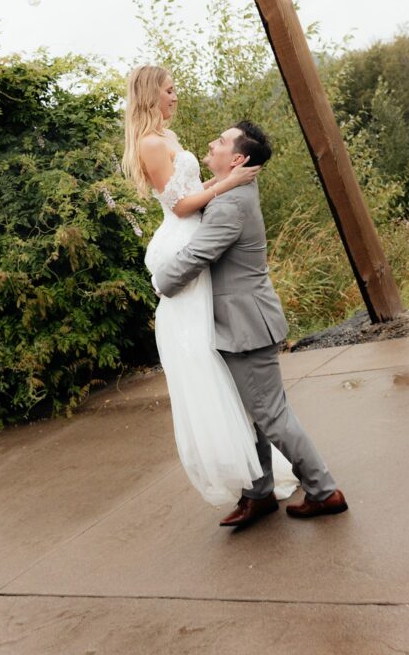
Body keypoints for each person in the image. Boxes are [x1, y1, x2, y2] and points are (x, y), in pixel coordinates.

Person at [153, 120, 348, 529]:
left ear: (238, 159)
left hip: (245, 325)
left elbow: (195, 257)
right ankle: (258, 494)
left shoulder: (230, 205)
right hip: (235, 322)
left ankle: (324, 490)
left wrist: (161, 282)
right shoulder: (229, 193)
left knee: (271, 414)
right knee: (250, 413)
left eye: (221, 142)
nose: (212, 142)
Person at [123, 65, 297, 508]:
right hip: (181, 240)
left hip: (196, 232)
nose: (175, 96)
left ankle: (256, 481)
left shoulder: (170, 138)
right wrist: (229, 183)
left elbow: (193, 188)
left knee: (217, 351)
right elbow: (180, 206)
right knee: (201, 355)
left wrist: (220, 184)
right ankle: (242, 475)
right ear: (150, 95)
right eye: (169, 90)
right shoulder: (149, 143)